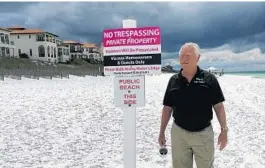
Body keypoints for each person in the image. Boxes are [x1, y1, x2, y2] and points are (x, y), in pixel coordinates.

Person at [158, 42, 228, 168]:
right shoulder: (173, 80)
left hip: (203, 134)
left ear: (198, 58)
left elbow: (219, 107)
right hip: (179, 134)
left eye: (188, 55)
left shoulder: (209, 79)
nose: (184, 58)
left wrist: (224, 131)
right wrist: (161, 131)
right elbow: (167, 108)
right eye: (182, 55)